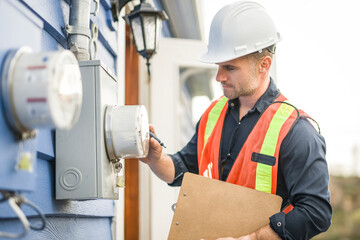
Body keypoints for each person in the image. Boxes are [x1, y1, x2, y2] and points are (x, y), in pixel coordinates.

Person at [139, 1, 332, 239]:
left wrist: (253, 237)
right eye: (218, 66)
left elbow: (316, 212)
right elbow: (184, 170)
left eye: (229, 68)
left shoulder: (297, 130)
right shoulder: (212, 114)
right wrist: (156, 160)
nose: (219, 77)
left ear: (264, 65)